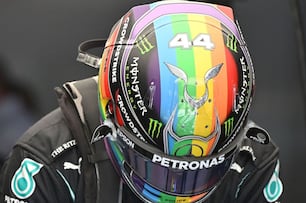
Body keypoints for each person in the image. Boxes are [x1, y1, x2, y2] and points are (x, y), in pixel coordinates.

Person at [0, 1, 283, 202]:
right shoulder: (46, 162)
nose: (177, 188)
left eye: (199, 169)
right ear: (113, 113)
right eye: (160, 166)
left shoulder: (252, 161)